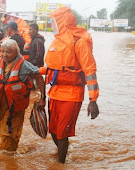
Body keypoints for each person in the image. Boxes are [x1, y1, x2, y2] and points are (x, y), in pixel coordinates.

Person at [40, 7, 100, 163]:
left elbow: (90, 71)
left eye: (54, 21)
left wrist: (93, 100)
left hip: (72, 94)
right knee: (52, 131)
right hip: (54, 92)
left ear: (64, 21)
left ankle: (61, 163)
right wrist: (31, 70)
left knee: (61, 133)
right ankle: (62, 149)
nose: (53, 25)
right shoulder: (56, 42)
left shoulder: (79, 42)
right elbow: (53, 68)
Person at [0, 39, 46, 151]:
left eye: (8, 52)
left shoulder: (24, 65)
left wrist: (42, 98)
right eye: (3, 51)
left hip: (16, 106)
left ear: (16, 52)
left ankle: (9, 156)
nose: (5, 55)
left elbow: (39, 77)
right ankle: (8, 151)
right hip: (2, 103)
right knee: (4, 128)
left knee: (10, 132)